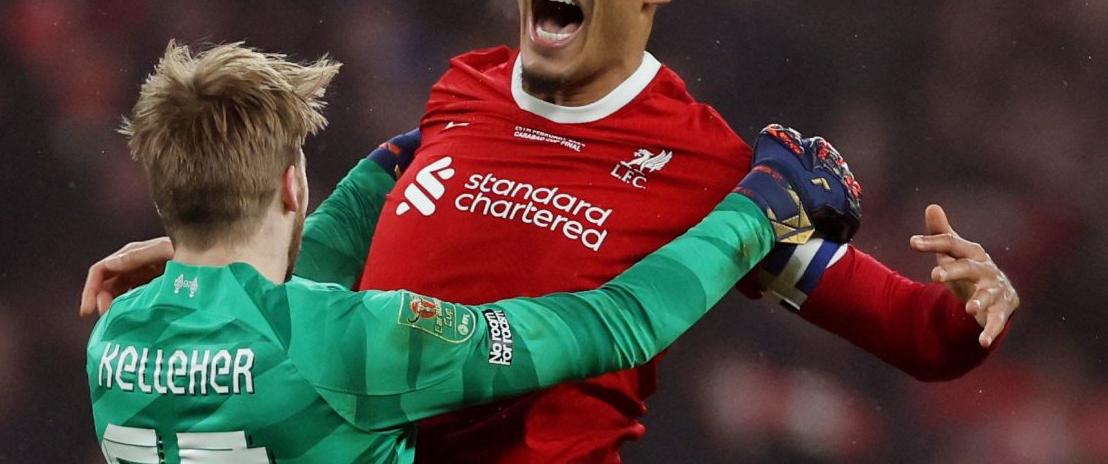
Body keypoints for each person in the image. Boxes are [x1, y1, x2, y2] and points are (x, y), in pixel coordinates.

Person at [83, 0, 1019, 461]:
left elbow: (918, 336)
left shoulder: (708, 168)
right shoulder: (467, 90)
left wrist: (973, 305)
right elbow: (357, 221)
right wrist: (218, 257)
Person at [87, 39, 862, 462]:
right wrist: (762, 209)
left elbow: (264, 300)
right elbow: (612, 324)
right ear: (294, 184)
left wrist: (421, 151)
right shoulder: (352, 340)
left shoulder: (114, 338)